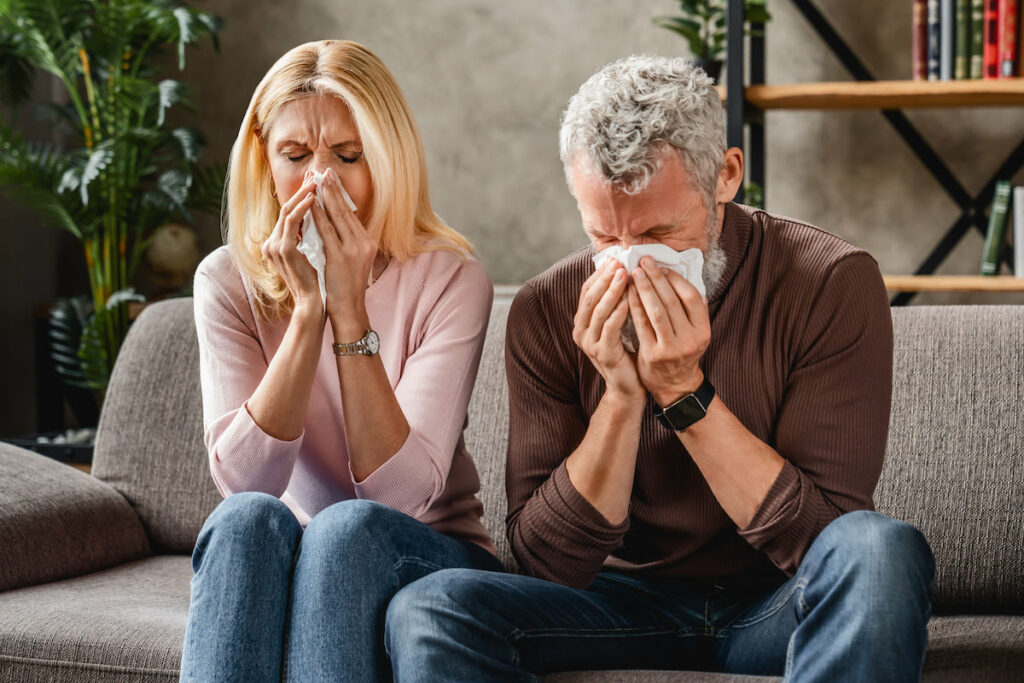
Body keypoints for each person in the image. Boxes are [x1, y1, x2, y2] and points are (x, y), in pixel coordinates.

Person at [384, 55, 934, 682]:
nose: (630, 263)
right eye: (604, 237)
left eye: (659, 233)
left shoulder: (829, 281)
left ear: (726, 177)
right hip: (617, 606)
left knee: (880, 548)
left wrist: (682, 392)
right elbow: (545, 563)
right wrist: (621, 398)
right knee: (430, 608)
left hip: (775, 601)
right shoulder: (546, 308)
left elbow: (822, 539)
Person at [179, 40, 503, 683]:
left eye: (349, 157)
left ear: (388, 159)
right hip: (304, 550)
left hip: (426, 552)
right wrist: (308, 313)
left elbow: (400, 496)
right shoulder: (225, 281)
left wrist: (349, 311)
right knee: (244, 520)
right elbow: (244, 483)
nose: (320, 180)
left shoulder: (451, 279)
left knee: (347, 528)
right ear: (264, 160)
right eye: (295, 155)